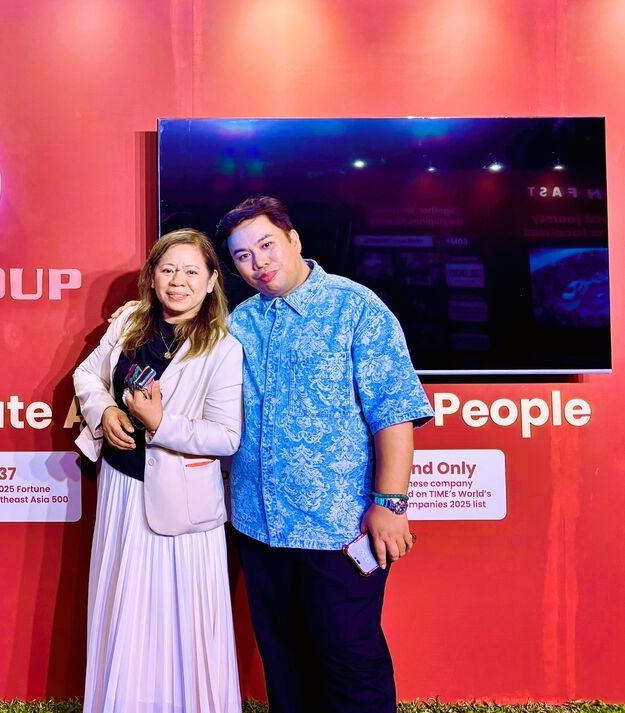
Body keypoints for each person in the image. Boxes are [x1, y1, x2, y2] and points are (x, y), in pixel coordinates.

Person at [218, 196, 433, 712]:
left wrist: (390, 505)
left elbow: (394, 414)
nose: (258, 262)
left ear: (294, 240)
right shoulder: (240, 322)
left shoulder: (355, 308)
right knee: (283, 663)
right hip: (258, 526)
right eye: (243, 256)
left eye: (266, 245)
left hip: (338, 528)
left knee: (350, 661)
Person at [74, 228, 244, 713]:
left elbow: (225, 437)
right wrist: (104, 410)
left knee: (184, 618)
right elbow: (87, 375)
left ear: (212, 281)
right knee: (123, 605)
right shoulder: (129, 321)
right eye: (167, 269)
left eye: (191, 271)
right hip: (122, 490)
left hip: (182, 504)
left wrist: (160, 424)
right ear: (151, 276)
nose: (178, 282)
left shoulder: (223, 348)